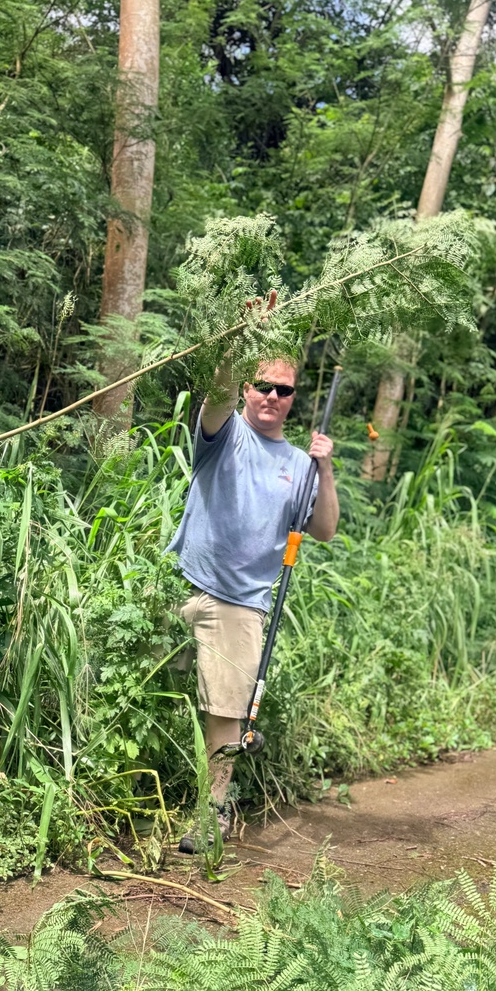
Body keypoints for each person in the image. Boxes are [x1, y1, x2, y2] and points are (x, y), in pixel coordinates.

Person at [168, 315, 339, 852]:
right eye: (261, 384)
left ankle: (212, 816)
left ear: (293, 398)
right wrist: (241, 334)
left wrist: (325, 468)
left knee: (224, 715)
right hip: (180, 585)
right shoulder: (224, 434)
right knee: (155, 700)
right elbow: (215, 396)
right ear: (246, 387)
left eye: (283, 389)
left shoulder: (298, 464)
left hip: (240, 606)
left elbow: (326, 529)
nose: (271, 395)